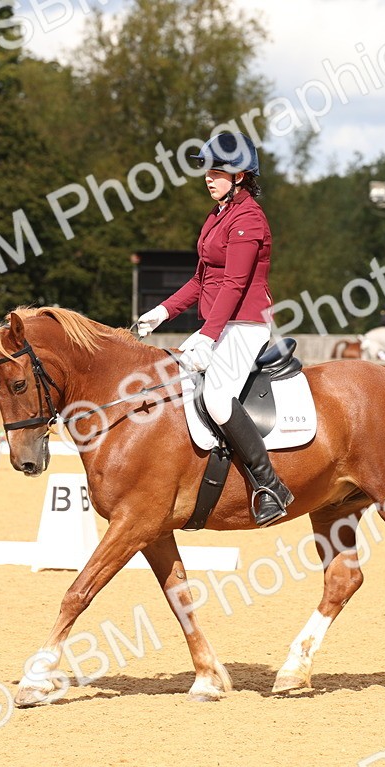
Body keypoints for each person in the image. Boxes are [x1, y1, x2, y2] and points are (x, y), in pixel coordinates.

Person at [134, 131, 293, 527]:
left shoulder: (249, 218)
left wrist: (207, 335)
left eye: (218, 170)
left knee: (219, 399)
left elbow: (236, 284)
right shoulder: (218, 215)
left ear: (240, 175)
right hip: (220, 323)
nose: (209, 177)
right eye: (208, 169)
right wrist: (160, 313)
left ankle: (270, 484)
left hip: (245, 325)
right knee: (171, 381)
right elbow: (201, 280)